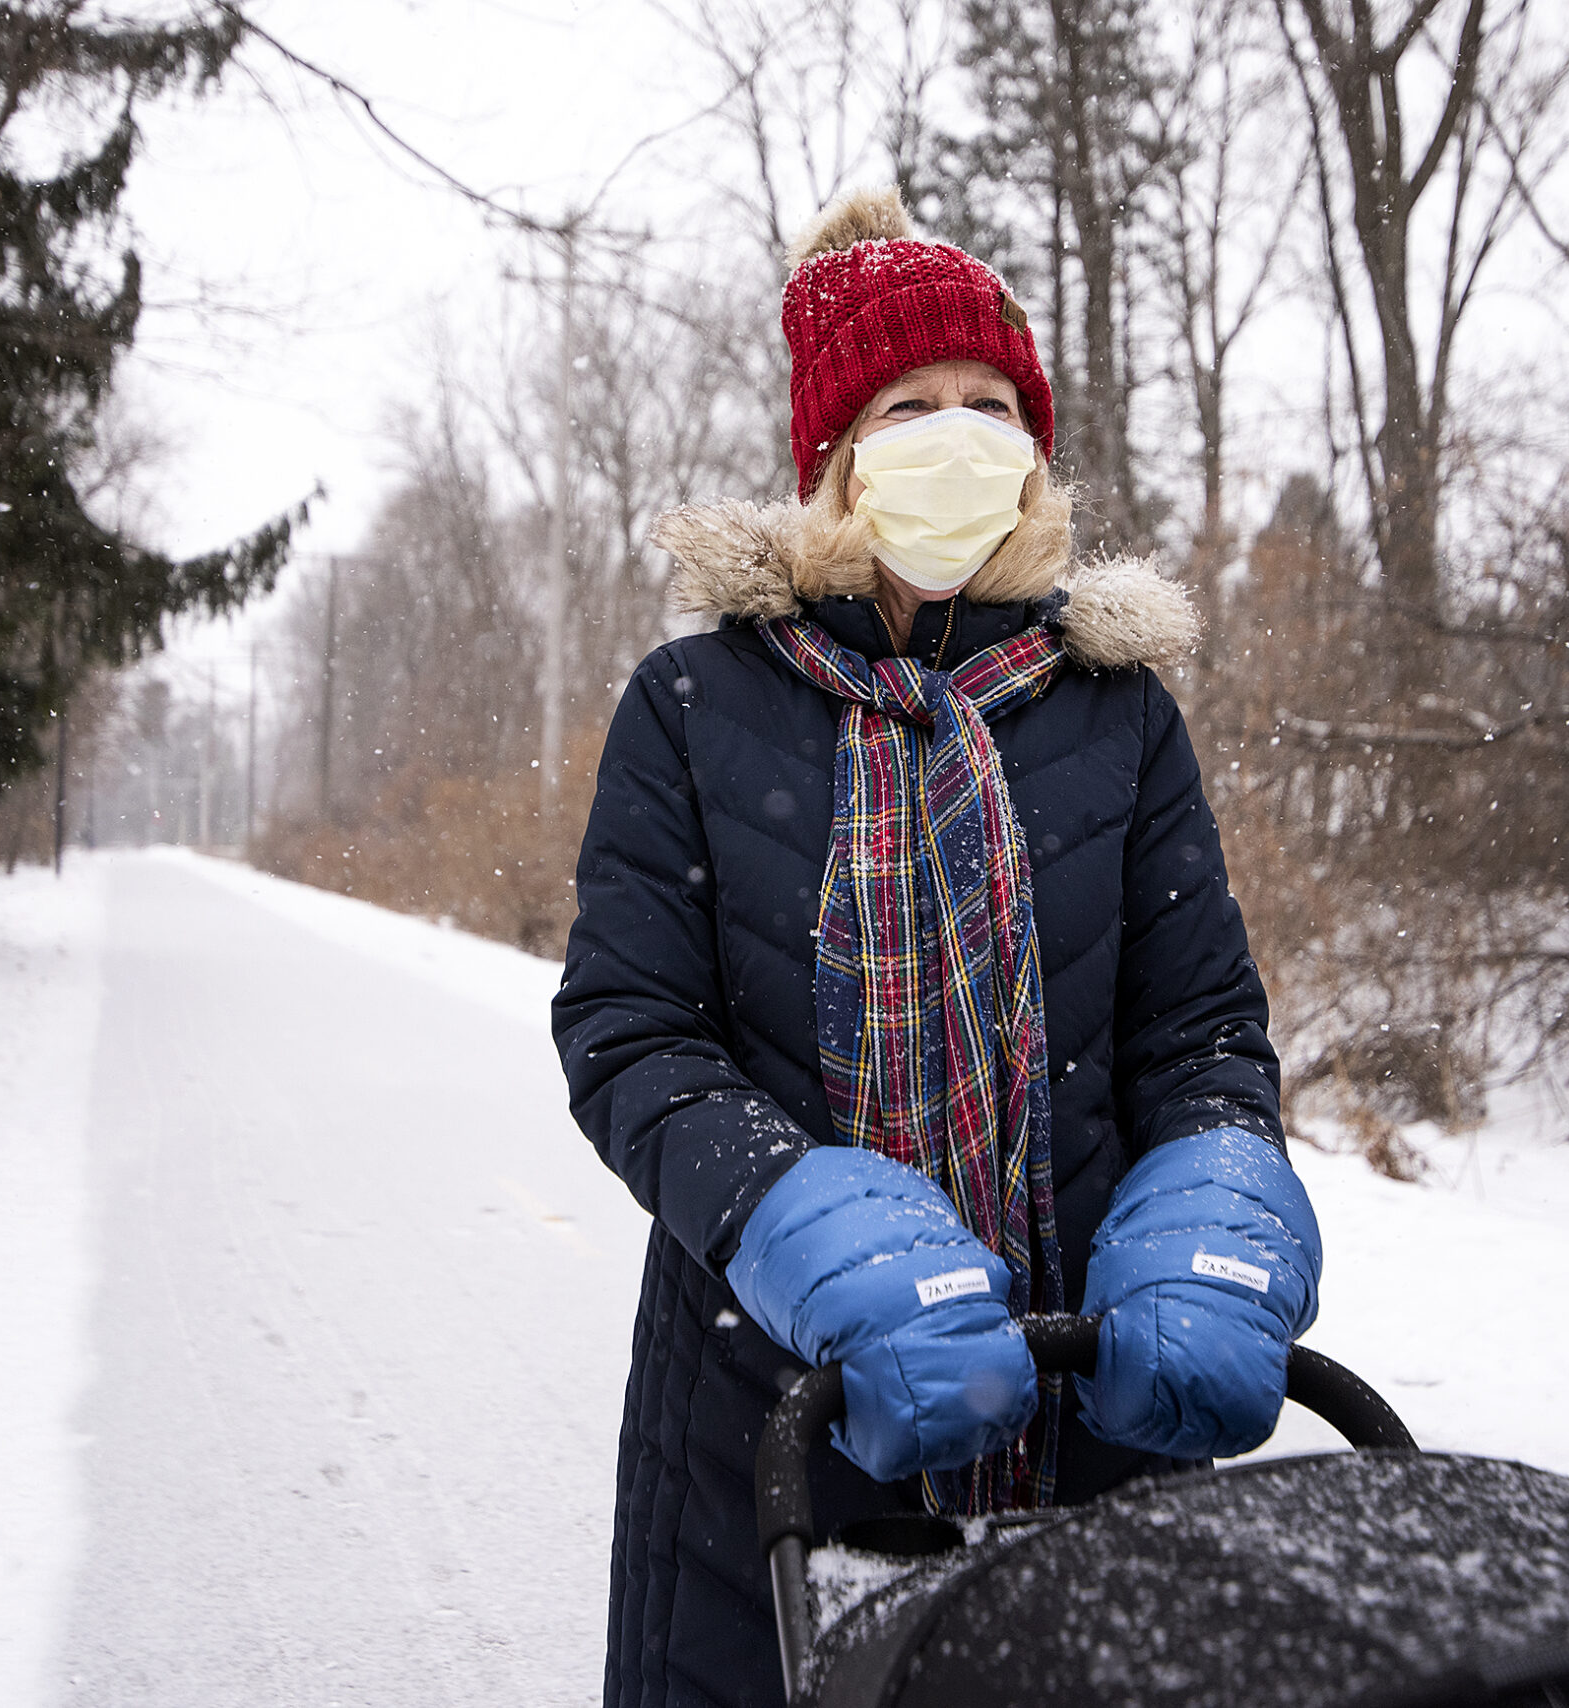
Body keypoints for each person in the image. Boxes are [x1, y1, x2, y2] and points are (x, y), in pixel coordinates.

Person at [550, 185, 1323, 1708]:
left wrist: (1212, 1205)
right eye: (912, 405)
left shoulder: (1118, 710)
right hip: (772, 1408)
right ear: (835, 457)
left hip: (1092, 1401)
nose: (959, 436)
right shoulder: (700, 704)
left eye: (990, 405)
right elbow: (631, 1033)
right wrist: (798, 1222)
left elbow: (1203, 1032)